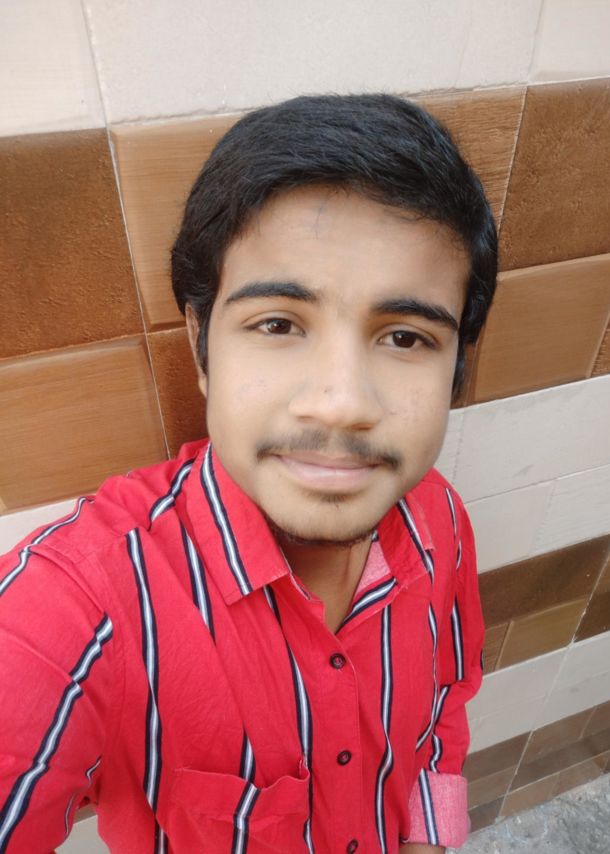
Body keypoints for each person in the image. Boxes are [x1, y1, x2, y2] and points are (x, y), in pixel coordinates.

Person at [0, 93, 497, 853]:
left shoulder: (441, 520)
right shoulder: (86, 605)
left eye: (405, 337)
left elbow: (442, 711)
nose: (341, 404)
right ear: (202, 345)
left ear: (457, 367)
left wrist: (428, 836)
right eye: (278, 324)